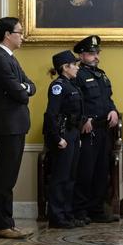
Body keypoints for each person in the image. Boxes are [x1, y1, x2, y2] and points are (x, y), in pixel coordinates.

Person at [0, 17, 36, 239]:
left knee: (9, 178)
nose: (22, 36)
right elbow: (20, 94)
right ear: (7, 34)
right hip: (7, 126)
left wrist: (23, 87)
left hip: (16, 125)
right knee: (3, 178)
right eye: (19, 32)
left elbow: (30, 86)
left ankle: (7, 223)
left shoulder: (10, 59)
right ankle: (0, 225)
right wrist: (23, 88)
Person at [72, 35, 119, 224]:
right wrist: (83, 119)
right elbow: (75, 100)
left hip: (103, 129)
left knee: (101, 171)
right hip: (86, 131)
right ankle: (80, 211)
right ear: (81, 55)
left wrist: (113, 110)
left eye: (97, 53)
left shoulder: (101, 74)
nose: (96, 56)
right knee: (85, 171)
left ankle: (96, 209)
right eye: (92, 53)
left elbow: (107, 99)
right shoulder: (77, 75)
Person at [43, 50, 84, 229]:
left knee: (70, 176)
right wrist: (57, 138)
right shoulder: (58, 86)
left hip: (73, 133)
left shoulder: (72, 85)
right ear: (65, 67)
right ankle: (57, 217)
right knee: (60, 177)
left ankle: (67, 214)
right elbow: (51, 114)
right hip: (63, 134)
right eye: (74, 65)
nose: (77, 68)